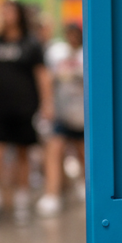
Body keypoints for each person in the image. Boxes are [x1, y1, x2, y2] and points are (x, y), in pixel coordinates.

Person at [0, 1, 52, 225]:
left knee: (22, 155)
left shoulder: (31, 44)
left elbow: (42, 76)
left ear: (19, 15)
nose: (6, 15)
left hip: (24, 109)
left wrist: (47, 104)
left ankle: (21, 200)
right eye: (3, 11)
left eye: (10, 11)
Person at [36, 23, 84, 217]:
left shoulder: (86, 55)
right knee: (54, 151)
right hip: (62, 113)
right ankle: (52, 194)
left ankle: (84, 184)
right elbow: (48, 79)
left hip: (82, 115)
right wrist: (47, 105)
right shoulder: (56, 54)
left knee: (83, 154)